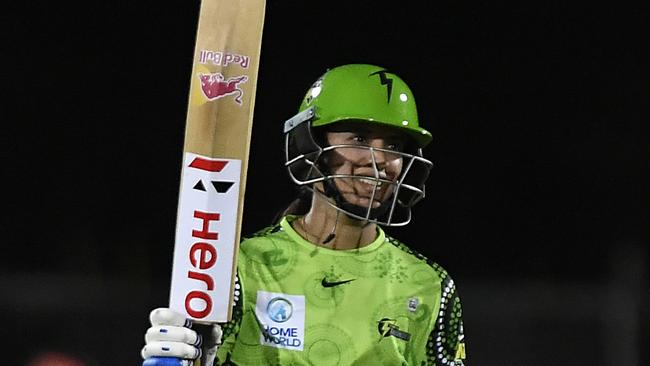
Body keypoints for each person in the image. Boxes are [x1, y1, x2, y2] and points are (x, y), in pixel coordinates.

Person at [141, 64, 467, 365]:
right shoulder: (236, 267)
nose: (379, 159)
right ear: (310, 146)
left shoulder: (429, 285)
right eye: (359, 138)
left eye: (394, 146)